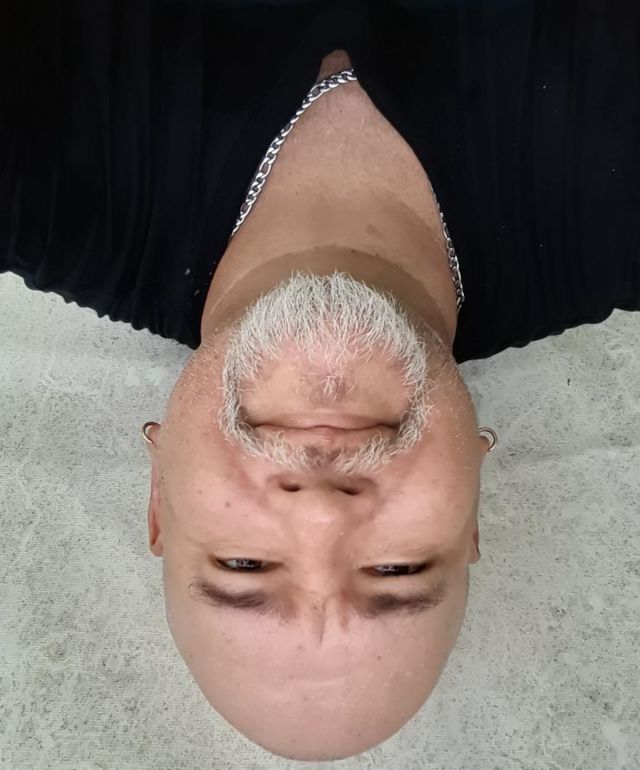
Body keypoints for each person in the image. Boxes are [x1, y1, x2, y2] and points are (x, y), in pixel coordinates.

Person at [2, 0, 638, 762]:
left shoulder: (37, 178)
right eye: (395, 570)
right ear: (472, 510)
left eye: (243, 565)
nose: (321, 512)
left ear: (159, 497)